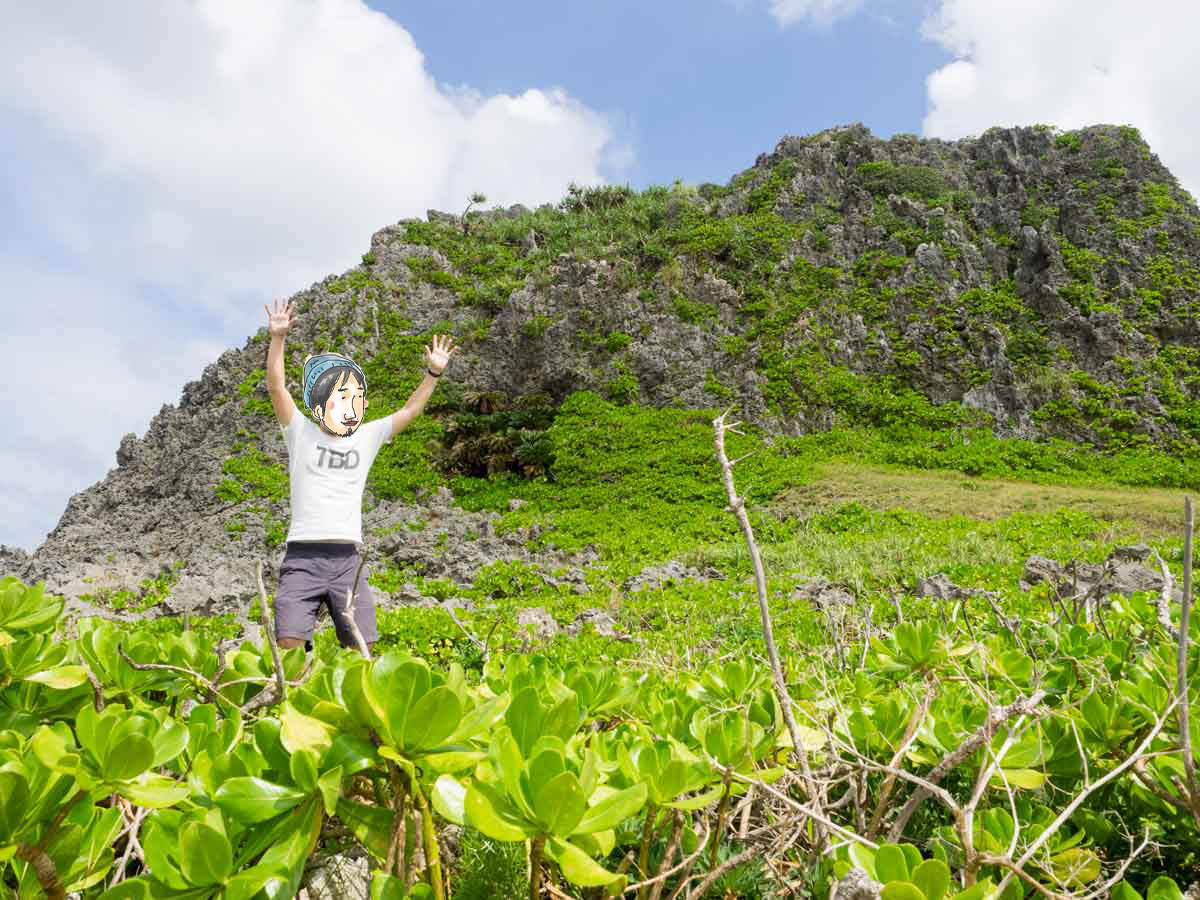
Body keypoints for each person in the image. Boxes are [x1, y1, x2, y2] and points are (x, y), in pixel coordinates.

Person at [262, 298, 459, 655]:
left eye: (356, 398)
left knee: (362, 650)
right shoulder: (300, 431)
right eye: (340, 398)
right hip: (302, 556)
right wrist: (278, 338)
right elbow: (277, 387)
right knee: (289, 648)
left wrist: (433, 373)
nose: (350, 406)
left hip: (348, 560)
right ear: (319, 404)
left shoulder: (367, 436)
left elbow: (411, 409)